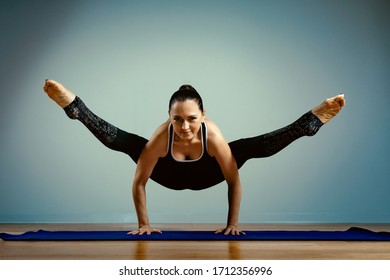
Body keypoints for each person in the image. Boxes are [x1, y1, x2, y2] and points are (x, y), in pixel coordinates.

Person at [43, 80, 345, 235]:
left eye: (190, 118)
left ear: (203, 116)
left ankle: (309, 123)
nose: (184, 127)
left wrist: (232, 224)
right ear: (169, 117)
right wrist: (145, 224)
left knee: (245, 148)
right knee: (132, 144)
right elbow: (139, 183)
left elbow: (233, 179)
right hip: (167, 175)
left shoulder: (212, 134)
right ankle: (76, 109)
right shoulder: (162, 136)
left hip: (207, 175)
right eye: (177, 119)